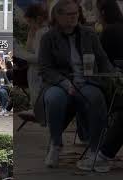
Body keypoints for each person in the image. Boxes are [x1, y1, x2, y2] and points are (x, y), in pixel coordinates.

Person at [35, 0, 116, 168]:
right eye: (69, 14)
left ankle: (95, 150)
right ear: (58, 16)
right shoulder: (48, 38)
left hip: (87, 81)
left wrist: (113, 74)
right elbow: (45, 68)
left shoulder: (89, 34)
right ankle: (56, 145)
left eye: (76, 13)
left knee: (96, 97)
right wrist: (64, 83)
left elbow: (102, 59)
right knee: (54, 98)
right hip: (59, 83)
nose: (74, 17)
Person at [76, 0, 123, 172]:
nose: (95, 15)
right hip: (114, 82)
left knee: (83, 94)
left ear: (103, 12)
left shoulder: (109, 31)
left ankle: (94, 145)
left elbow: (99, 60)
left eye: (96, 11)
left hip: (113, 85)